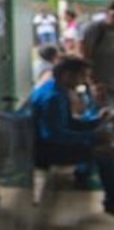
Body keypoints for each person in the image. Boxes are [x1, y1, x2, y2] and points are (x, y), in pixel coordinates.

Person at [30, 56, 114, 214]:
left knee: (103, 142)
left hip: (46, 143)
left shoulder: (54, 88)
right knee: (107, 152)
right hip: (45, 150)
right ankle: (111, 202)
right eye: (82, 76)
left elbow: (68, 123)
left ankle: (84, 178)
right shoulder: (53, 97)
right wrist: (93, 136)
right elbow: (53, 136)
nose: (84, 81)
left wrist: (97, 121)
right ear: (67, 75)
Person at [81, 2, 114, 98]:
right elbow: (86, 53)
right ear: (108, 12)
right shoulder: (96, 28)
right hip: (99, 80)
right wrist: (90, 78)